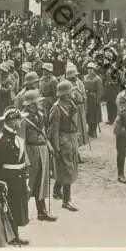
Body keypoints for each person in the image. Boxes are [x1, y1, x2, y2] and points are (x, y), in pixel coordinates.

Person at [0, 108, 32, 245]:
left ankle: (14, 236)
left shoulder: (15, 137)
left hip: (18, 178)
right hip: (8, 180)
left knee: (16, 208)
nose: (21, 122)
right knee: (9, 209)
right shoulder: (0, 141)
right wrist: (0, 183)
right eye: (19, 119)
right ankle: (10, 237)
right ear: (13, 121)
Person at [21, 90, 57, 221]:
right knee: (30, 182)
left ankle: (42, 212)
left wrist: (48, 144)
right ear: (30, 105)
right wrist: (24, 158)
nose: (40, 105)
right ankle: (21, 213)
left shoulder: (40, 115)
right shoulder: (23, 120)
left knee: (42, 181)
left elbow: (43, 132)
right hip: (31, 151)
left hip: (42, 150)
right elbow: (21, 140)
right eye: (37, 103)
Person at [48, 80, 80, 211]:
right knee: (67, 169)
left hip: (71, 139)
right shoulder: (56, 108)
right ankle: (67, 200)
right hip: (63, 140)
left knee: (69, 166)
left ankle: (56, 190)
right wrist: (56, 147)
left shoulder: (70, 104)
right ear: (65, 94)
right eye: (71, 91)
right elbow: (53, 130)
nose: (73, 93)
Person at [84, 62, 103, 138]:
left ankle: (94, 130)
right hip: (87, 98)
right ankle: (90, 130)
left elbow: (99, 91)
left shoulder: (98, 79)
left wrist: (98, 100)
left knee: (95, 115)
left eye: (91, 69)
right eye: (89, 69)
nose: (90, 70)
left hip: (94, 98)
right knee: (88, 115)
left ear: (94, 70)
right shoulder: (85, 77)